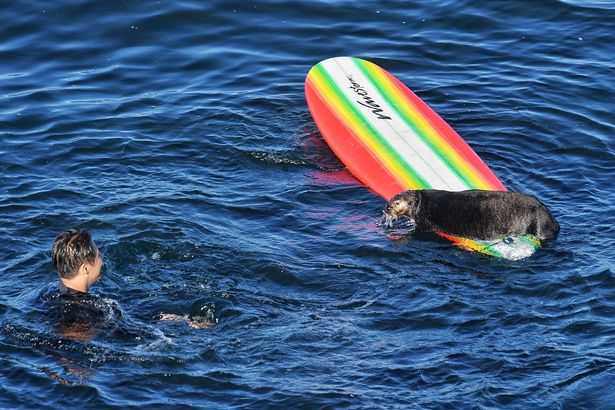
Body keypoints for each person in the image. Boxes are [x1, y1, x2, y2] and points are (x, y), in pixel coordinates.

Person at [51, 228, 104, 294]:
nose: (102, 257)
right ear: (86, 269)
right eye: (99, 255)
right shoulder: (85, 303)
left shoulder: (48, 291)